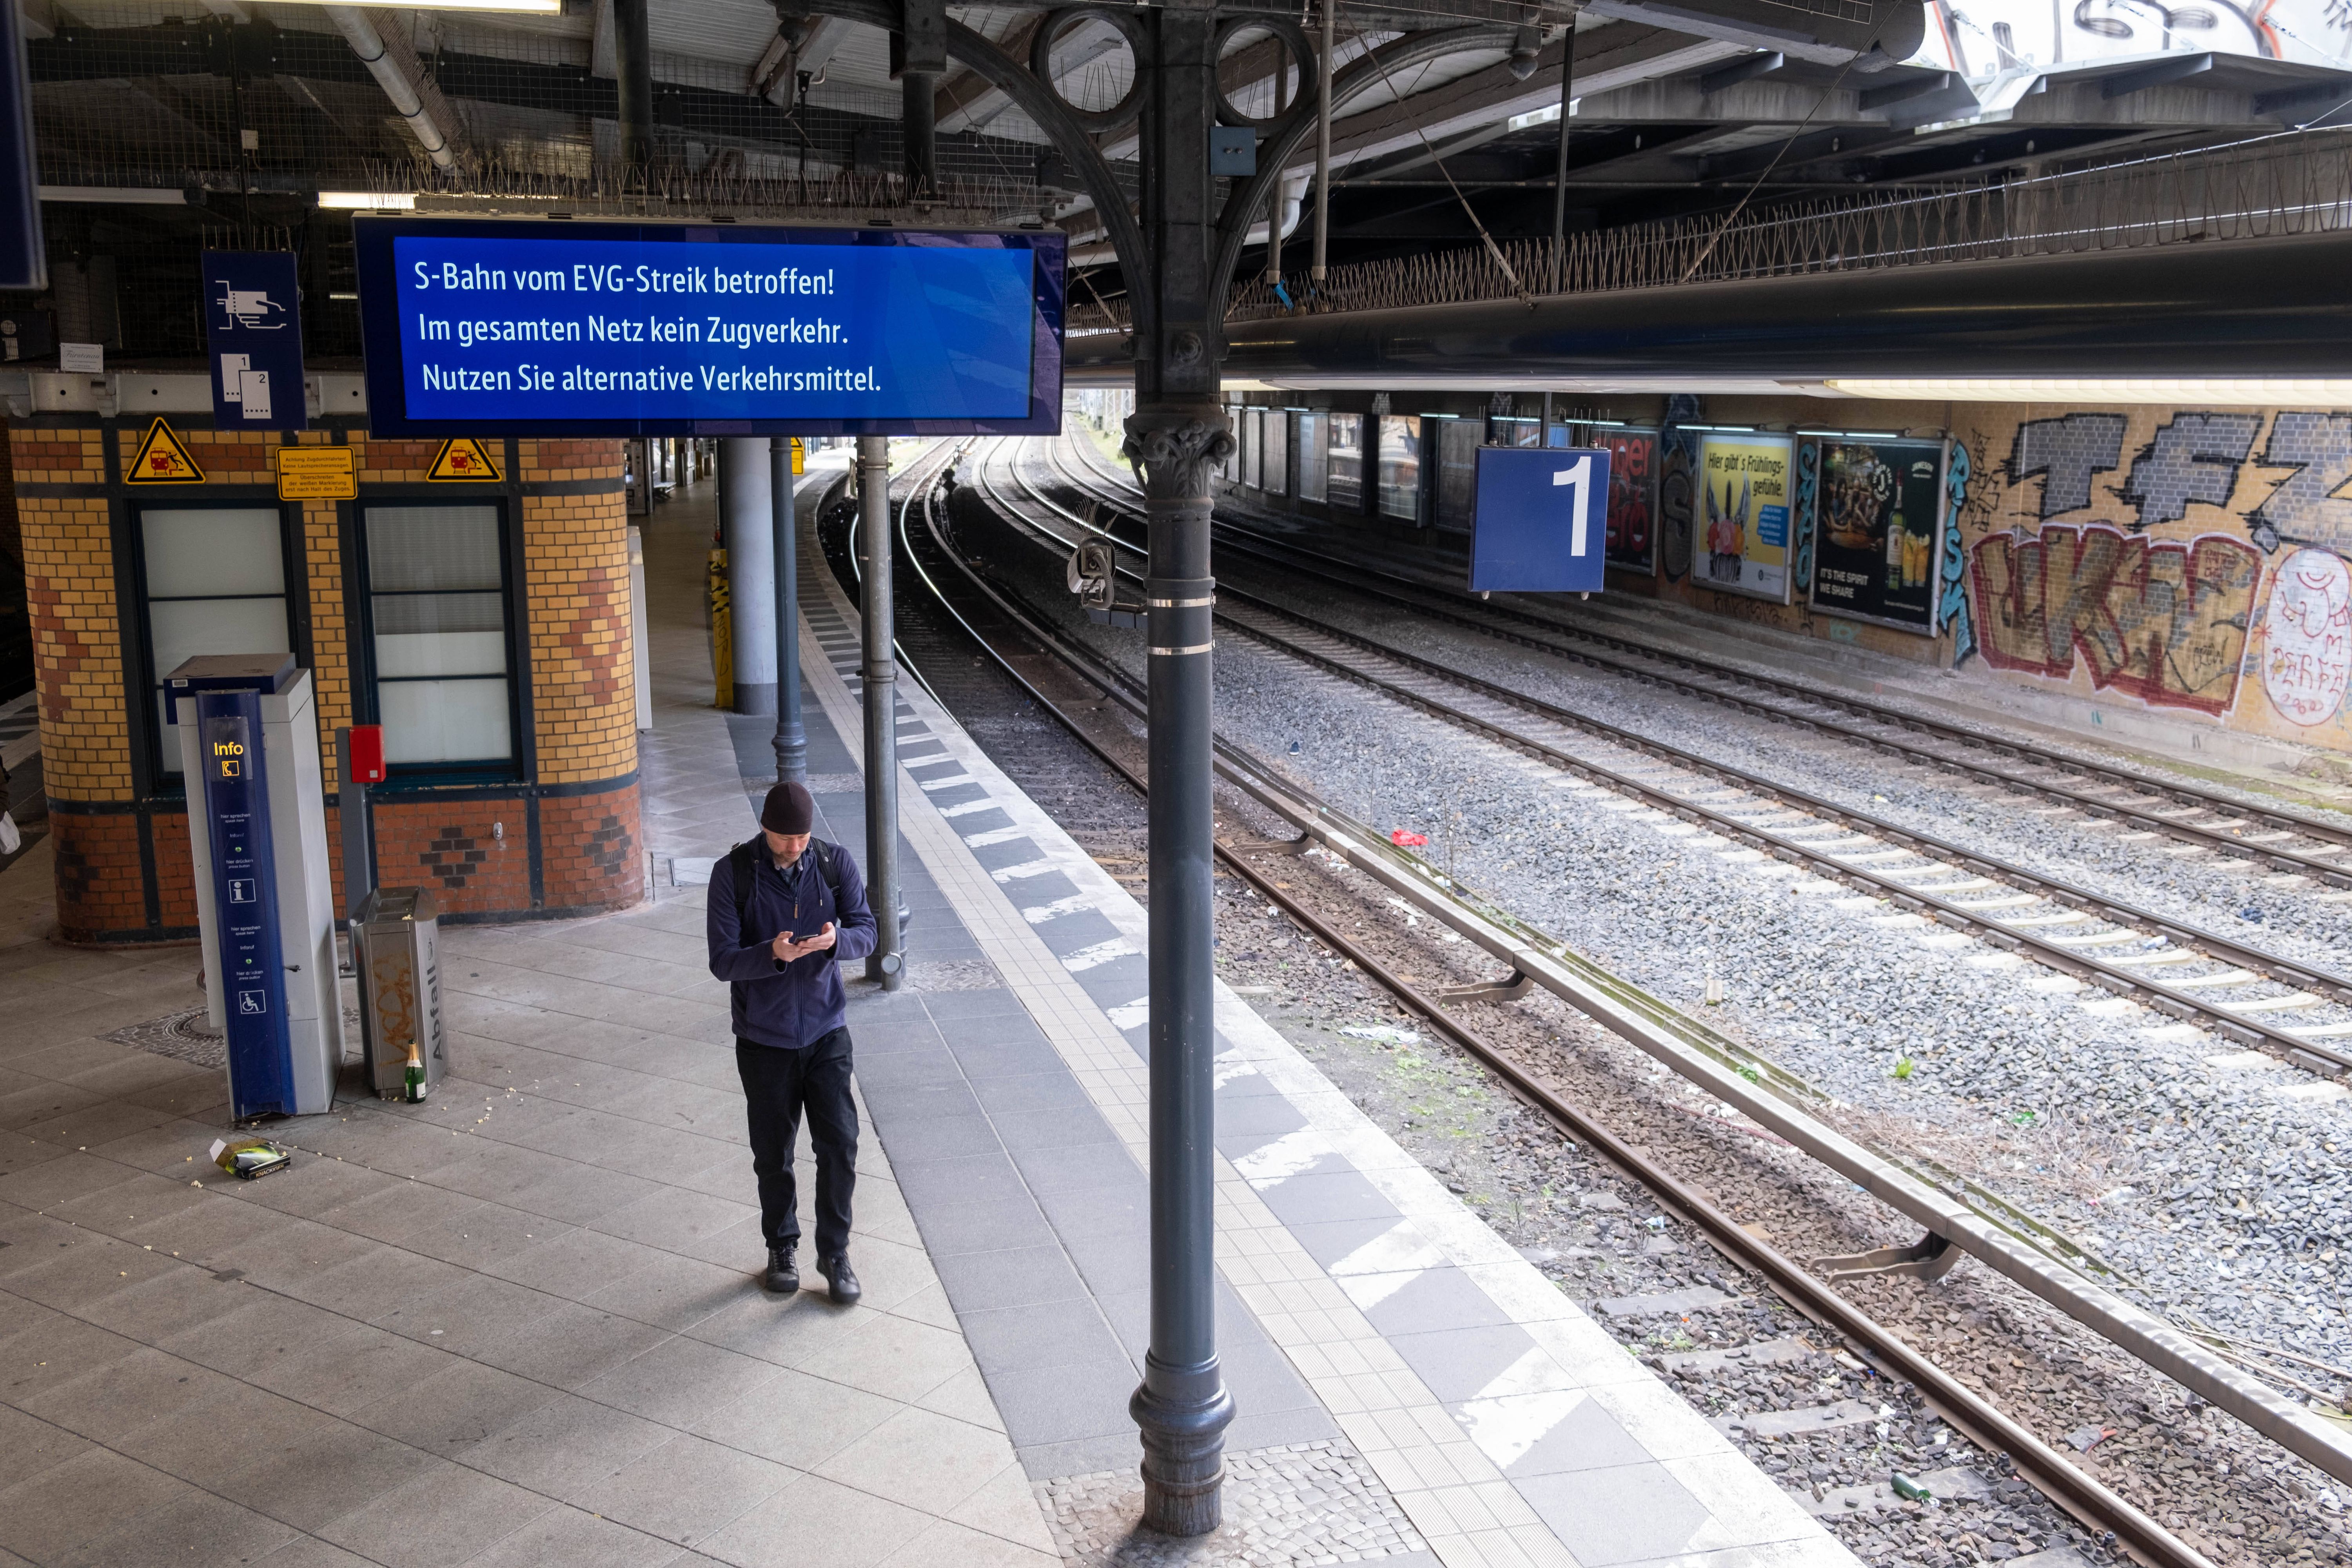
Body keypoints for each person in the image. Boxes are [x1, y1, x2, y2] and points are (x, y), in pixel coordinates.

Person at [707, 780, 878, 1304]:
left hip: (827, 1032)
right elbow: (723, 961)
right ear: (764, 829)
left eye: (801, 837)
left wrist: (835, 944)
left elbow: (868, 931)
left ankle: (835, 1252)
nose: (794, 847)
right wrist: (774, 954)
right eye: (784, 838)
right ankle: (781, 1246)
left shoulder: (834, 863)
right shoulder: (732, 874)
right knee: (773, 1152)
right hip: (764, 1039)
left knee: (841, 1144)